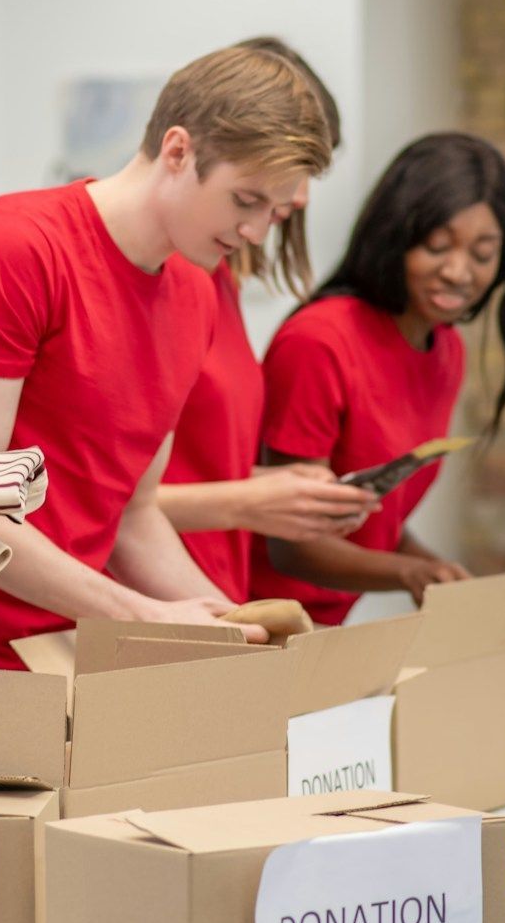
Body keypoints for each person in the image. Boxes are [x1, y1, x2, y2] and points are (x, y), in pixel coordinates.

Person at [0, 42, 337, 781]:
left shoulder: (191, 294)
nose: (257, 233)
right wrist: (139, 617)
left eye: (276, 212)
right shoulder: (14, 252)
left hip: (47, 671)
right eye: (246, 201)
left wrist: (226, 621)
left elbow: (133, 514)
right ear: (178, 151)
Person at [249, 131, 505, 623]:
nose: (459, 272)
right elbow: (289, 539)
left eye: (483, 254)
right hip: (260, 622)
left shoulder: (446, 350)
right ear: (395, 236)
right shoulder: (320, 340)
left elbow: (370, 509)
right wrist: (406, 574)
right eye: (438, 246)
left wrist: (432, 567)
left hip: (328, 627)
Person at [155, 37, 375, 601]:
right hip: (152, 604)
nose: (296, 200)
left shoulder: (212, 280)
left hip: (204, 591)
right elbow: (98, 504)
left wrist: (274, 489)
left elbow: (170, 477)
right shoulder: (168, 277)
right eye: (271, 182)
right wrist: (251, 501)